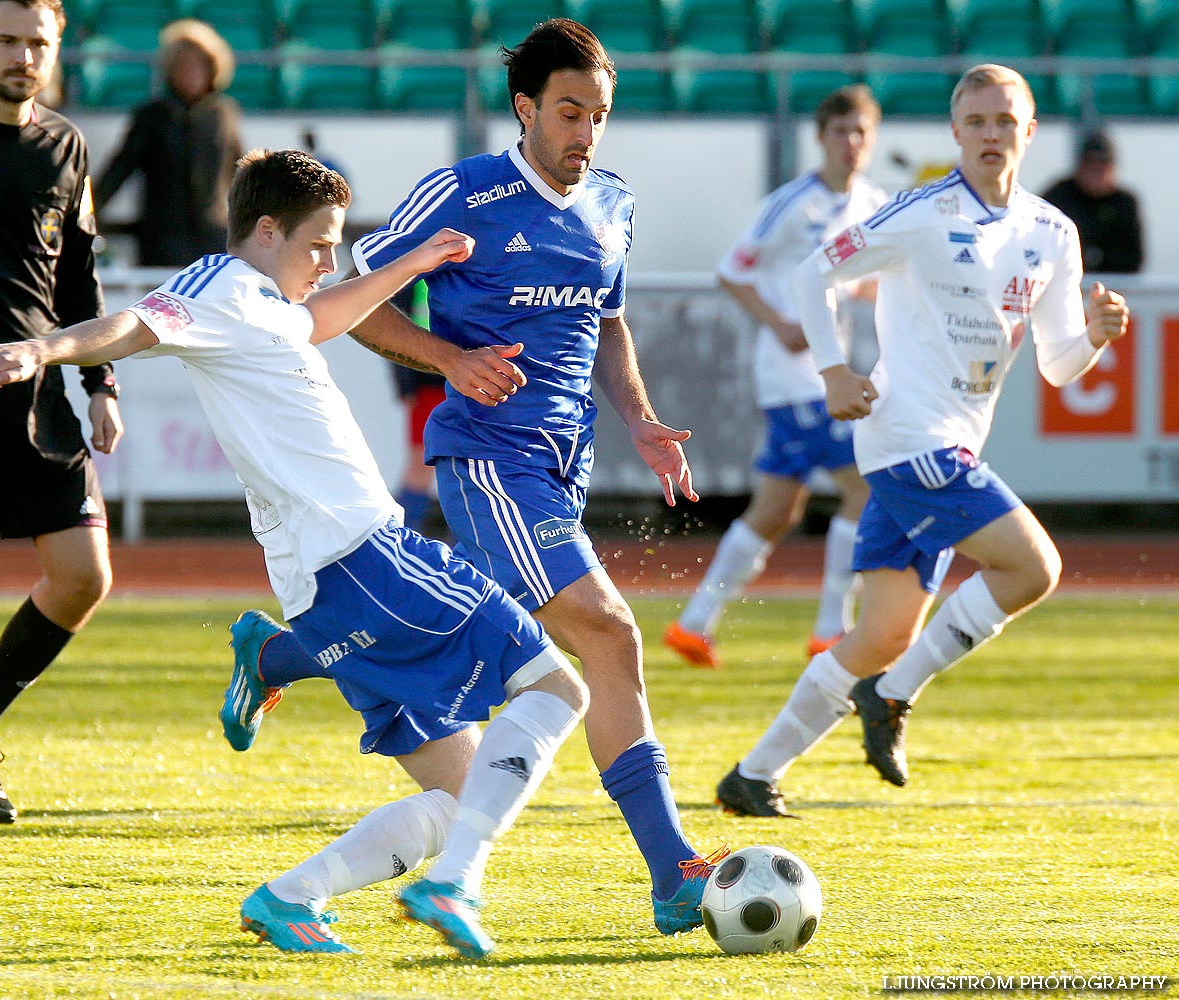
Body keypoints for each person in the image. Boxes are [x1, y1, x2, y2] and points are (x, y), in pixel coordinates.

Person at [0, 148, 589, 960]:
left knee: (466, 794)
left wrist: (417, 260)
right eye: (320, 243)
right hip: (369, 559)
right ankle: (454, 886)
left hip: (334, 586)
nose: (330, 260)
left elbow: (323, 316)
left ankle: (291, 898)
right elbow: (131, 324)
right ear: (266, 230)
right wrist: (40, 351)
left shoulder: (266, 302)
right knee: (560, 688)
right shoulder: (218, 287)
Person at [342, 18, 726, 935]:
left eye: (598, 115)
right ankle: (671, 869)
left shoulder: (613, 203)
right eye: (567, 112)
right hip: (487, 460)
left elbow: (610, 319)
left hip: (562, 469)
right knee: (608, 634)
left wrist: (638, 417)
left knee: (513, 663)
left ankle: (293, 648)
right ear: (525, 109)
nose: (584, 134)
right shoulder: (464, 192)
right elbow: (350, 301)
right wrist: (448, 358)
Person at [714, 64, 1130, 817]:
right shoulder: (921, 212)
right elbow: (814, 273)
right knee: (1034, 567)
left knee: (878, 634)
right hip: (909, 440)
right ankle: (895, 693)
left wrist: (1094, 339)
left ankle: (751, 774)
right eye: (975, 121)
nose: (990, 134)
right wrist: (834, 370)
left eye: (1005, 121)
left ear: (1029, 132)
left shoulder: (1051, 233)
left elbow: (1060, 365)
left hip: (943, 446)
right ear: (955, 132)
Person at [0, 0, 122, 833]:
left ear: (56, 50)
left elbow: (77, 279)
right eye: (8, 40)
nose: (22, 56)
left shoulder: (67, 146)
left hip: (38, 394)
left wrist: (101, 385)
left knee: (85, 575)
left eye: (37, 43)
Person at [664, 84, 887, 673]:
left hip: (827, 371)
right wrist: (781, 322)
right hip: (795, 375)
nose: (851, 143)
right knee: (863, 487)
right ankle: (830, 629)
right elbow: (731, 272)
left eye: (861, 131)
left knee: (776, 510)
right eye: (841, 131)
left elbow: (864, 277)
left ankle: (692, 625)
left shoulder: (873, 203)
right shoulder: (793, 202)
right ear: (821, 138)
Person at [93, 18, 243, 267]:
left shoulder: (224, 114)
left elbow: (238, 173)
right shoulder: (151, 116)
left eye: (199, 65)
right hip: (162, 242)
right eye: (184, 66)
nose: (192, 73)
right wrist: (88, 212)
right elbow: (120, 169)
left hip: (213, 241)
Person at [389, 279, 448, 534]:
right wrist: (406, 385)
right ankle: (402, 536)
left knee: (470, 463)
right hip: (429, 383)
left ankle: (468, 545)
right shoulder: (416, 275)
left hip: (468, 382)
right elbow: (395, 330)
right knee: (421, 462)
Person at [1041, 129, 1143, 274]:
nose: (1096, 174)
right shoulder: (1059, 196)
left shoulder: (1124, 203)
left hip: (1114, 286)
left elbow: (1133, 259)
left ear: (1113, 169)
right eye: (1090, 166)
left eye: (1101, 168)